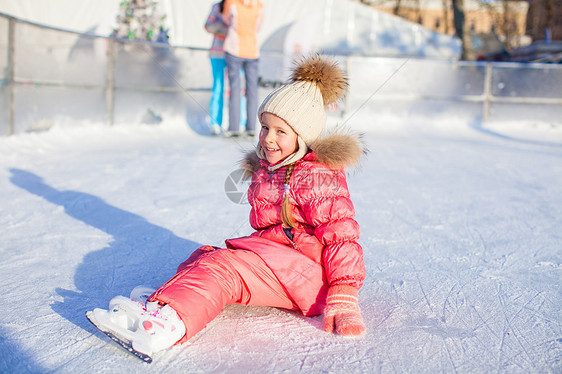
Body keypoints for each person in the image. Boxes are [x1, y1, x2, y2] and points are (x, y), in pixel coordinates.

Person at [86, 55, 367, 359]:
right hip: (283, 262)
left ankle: (167, 324)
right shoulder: (271, 168)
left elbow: (342, 235)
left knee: (223, 270)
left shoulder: (316, 175)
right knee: (207, 256)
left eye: (280, 131)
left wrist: (344, 291)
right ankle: (161, 304)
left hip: (308, 277)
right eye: (264, 127)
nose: (268, 138)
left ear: (304, 137)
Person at [221, 0, 264, 137]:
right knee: (252, 89)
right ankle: (251, 127)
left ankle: (234, 127)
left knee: (235, 88)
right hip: (252, 50)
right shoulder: (259, 5)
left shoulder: (231, 2)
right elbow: (258, 27)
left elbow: (226, 20)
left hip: (234, 48)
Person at [204, 1, 247, 135]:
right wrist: (223, 24)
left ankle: (240, 122)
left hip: (236, 53)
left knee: (238, 87)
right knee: (218, 86)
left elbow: (246, 28)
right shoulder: (217, 7)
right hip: (218, 53)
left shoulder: (241, 7)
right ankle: (215, 124)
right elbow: (208, 26)